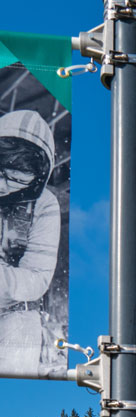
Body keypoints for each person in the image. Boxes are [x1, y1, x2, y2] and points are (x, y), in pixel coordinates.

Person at [0, 108, 60, 375]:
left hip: (15, 315)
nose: (4, 186)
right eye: (2, 173)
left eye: (17, 181)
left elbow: (37, 278)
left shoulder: (44, 204)